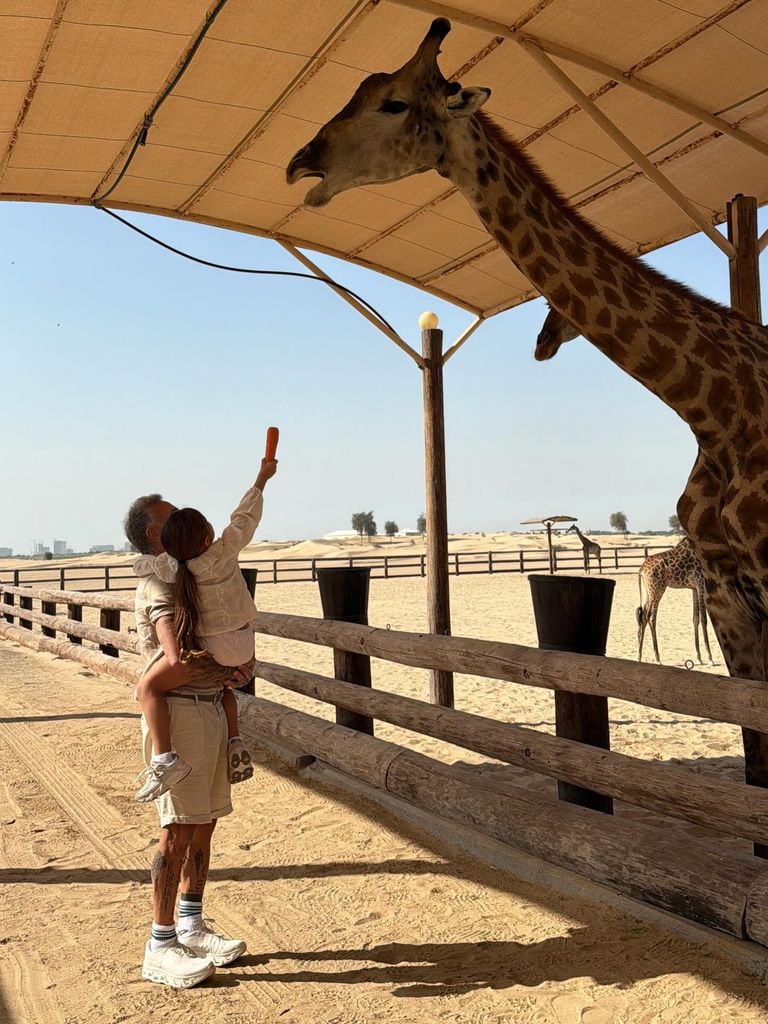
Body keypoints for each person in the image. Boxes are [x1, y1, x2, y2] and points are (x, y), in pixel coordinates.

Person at [124, 492, 254, 989]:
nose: (181, 518)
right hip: (179, 714)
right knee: (177, 828)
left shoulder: (189, 574)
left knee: (203, 825)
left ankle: (191, 925)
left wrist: (235, 668)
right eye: (170, 517)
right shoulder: (158, 579)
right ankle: (159, 944)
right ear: (155, 535)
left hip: (208, 707)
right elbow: (174, 659)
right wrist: (230, 667)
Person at [132, 458, 277, 803]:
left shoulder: (173, 568)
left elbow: (145, 567)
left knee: (147, 687)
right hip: (243, 642)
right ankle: (235, 740)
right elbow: (245, 517)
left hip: (212, 648)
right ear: (209, 535)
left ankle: (164, 758)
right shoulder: (225, 551)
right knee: (224, 687)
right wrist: (261, 477)